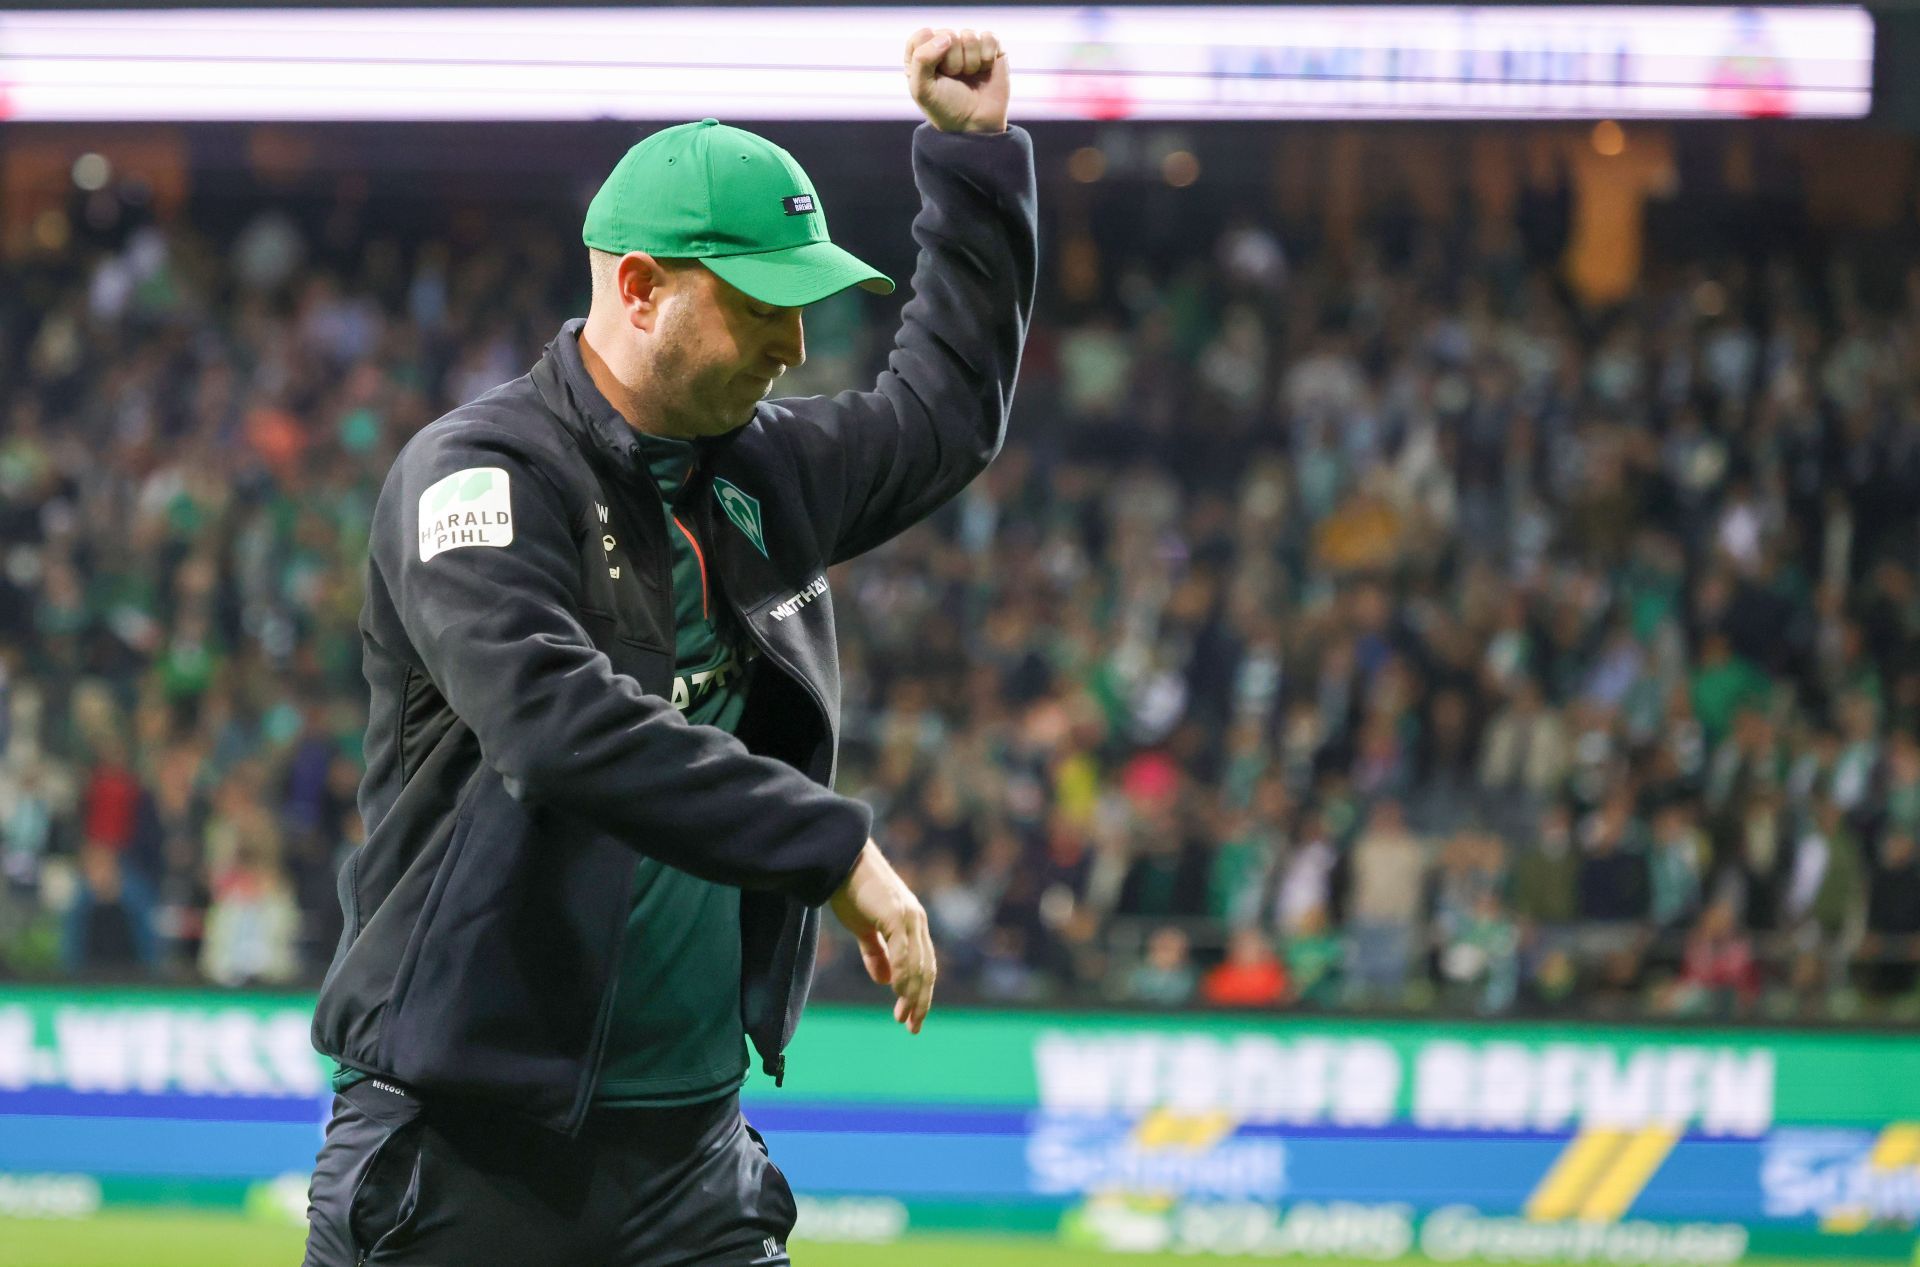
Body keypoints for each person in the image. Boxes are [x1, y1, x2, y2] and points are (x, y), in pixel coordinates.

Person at [302, 27, 1035, 1267]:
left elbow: (945, 417)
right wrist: (832, 850)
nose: (795, 349)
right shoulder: (474, 480)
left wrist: (971, 160)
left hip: (693, 1162)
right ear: (640, 288)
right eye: (760, 308)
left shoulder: (768, 471)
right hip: (464, 1160)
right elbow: (554, 727)